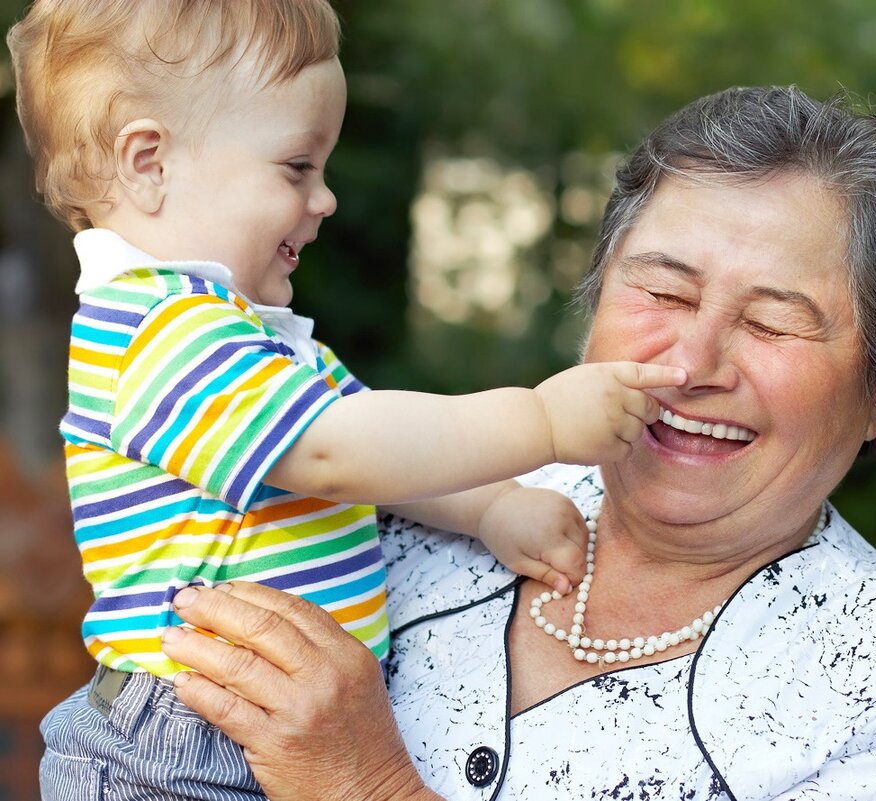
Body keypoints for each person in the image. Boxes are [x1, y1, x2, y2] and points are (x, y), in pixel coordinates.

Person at [160, 85, 876, 801]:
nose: (690, 365)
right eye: (663, 291)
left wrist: (367, 788)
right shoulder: (415, 488)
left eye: (772, 323)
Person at [9, 2, 686, 798]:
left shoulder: (250, 339)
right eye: (298, 167)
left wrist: (490, 509)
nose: (324, 198)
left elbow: (379, 461)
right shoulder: (162, 335)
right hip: (182, 743)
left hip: (246, 728)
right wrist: (539, 422)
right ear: (149, 162)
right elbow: (340, 449)